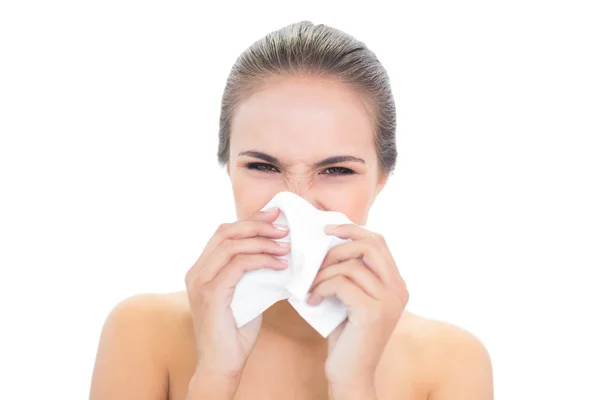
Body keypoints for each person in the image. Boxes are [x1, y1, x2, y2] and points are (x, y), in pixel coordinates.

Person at [89, 21, 494, 400]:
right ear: (228, 167)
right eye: (263, 167)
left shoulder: (451, 361)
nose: (297, 202)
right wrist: (214, 375)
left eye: (336, 170)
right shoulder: (142, 331)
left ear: (381, 179)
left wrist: (354, 382)